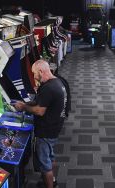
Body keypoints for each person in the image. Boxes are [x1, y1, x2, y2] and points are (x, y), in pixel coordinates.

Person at [13, 59, 67, 188]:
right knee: (50, 156)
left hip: (46, 131)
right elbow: (42, 102)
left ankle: (49, 184)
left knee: (44, 165)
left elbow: (39, 111)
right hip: (54, 128)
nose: (34, 76)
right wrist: (26, 104)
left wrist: (23, 107)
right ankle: (52, 181)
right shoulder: (57, 82)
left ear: (41, 71)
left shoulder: (48, 88)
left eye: (34, 73)